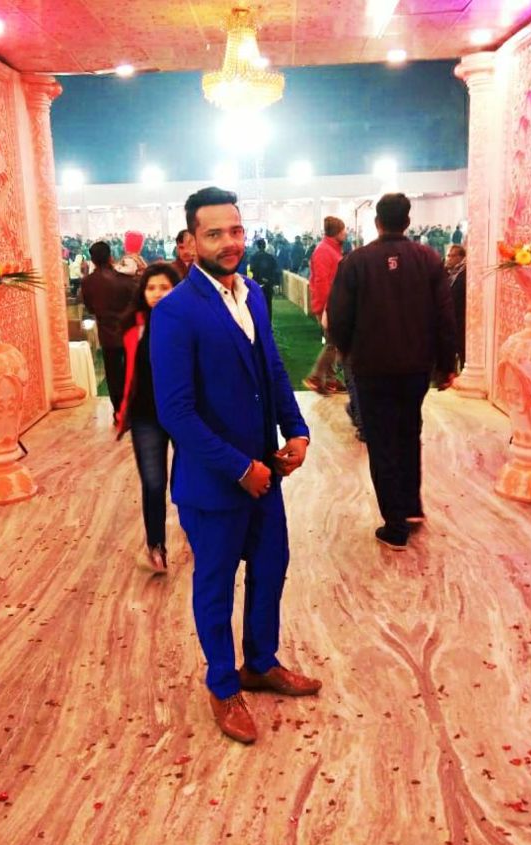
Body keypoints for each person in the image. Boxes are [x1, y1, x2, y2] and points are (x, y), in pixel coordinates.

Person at [150, 186, 321, 745]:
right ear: (191, 242)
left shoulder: (253, 295)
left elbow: (272, 369)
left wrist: (296, 429)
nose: (230, 242)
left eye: (236, 230)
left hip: (266, 475)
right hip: (214, 483)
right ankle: (223, 686)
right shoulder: (175, 311)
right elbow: (176, 412)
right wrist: (239, 468)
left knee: (271, 569)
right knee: (216, 586)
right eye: (215, 233)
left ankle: (261, 662)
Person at [328, 193, 457, 551]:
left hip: (372, 368)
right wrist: (446, 365)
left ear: (377, 222)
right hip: (416, 368)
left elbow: (339, 318)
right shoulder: (429, 259)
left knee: (382, 441)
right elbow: (445, 317)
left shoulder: (356, 261)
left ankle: (396, 524)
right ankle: (411, 508)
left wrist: (349, 352)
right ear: (408, 221)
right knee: (408, 433)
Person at [117, 262, 181, 572]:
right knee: (154, 482)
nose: (157, 293)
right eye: (151, 288)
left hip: (184, 414)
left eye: (164, 287)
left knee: (186, 479)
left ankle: (199, 531)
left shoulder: (188, 323)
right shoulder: (135, 326)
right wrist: (122, 410)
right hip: (146, 415)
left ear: (176, 290)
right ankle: (156, 546)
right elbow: (127, 373)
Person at [81, 241, 139, 423]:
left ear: (92, 260)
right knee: (132, 372)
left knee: (113, 376)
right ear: (110, 257)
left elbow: (90, 308)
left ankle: (119, 413)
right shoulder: (125, 279)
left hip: (107, 335)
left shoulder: (88, 282)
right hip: (129, 332)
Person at [303, 216, 348, 395]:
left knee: (333, 342)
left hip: (331, 303)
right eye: (343, 230)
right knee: (333, 342)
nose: (346, 233)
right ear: (337, 232)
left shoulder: (330, 249)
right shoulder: (324, 251)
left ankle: (330, 380)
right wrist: (327, 308)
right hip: (328, 305)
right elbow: (322, 283)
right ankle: (315, 377)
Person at [446, 243, 467, 370]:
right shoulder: (451, 272)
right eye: (448, 256)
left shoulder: (464, 274)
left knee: (462, 350)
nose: (448, 259)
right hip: (452, 319)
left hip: (461, 319)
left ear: (460, 257)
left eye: (451, 256)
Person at [249, 238, 279, 321]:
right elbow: (275, 270)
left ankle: (259, 322)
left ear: (257, 246)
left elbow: (252, 269)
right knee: (268, 303)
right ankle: (268, 322)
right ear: (265, 246)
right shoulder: (270, 257)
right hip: (268, 283)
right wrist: (270, 280)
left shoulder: (254, 257)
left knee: (257, 303)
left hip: (257, 282)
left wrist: (260, 278)